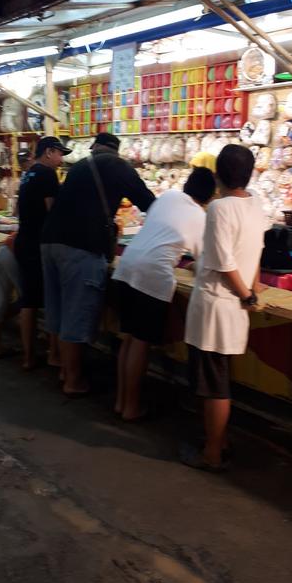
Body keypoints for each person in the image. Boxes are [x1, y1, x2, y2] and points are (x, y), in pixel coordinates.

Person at [41, 132, 155, 397]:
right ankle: (73, 380)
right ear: (116, 151)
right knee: (75, 313)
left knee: (57, 308)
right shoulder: (118, 166)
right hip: (80, 246)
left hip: (50, 242)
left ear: (94, 148)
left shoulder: (80, 166)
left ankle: (60, 366)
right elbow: (150, 202)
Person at [182, 145, 270, 472]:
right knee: (216, 380)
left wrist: (247, 293)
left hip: (217, 306)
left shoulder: (219, 209)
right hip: (232, 305)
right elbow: (253, 251)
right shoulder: (256, 204)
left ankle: (212, 453)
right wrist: (252, 285)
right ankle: (219, 441)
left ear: (218, 174)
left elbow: (223, 263)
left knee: (214, 386)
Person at [112, 167, 216, 421]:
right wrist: (192, 264)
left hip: (126, 268)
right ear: (210, 196)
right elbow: (206, 263)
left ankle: (120, 402)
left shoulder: (168, 196)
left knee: (128, 338)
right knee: (140, 342)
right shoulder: (200, 218)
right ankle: (131, 408)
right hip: (152, 277)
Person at [15, 136, 71, 370]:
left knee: (29, 301)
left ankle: (28, 358)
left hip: (23, 241)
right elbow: (53, 211)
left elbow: (17, 209)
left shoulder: (28, 174)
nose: (61, 160)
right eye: (59, 154)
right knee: (51, 301)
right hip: (40, 245)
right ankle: (53, 354)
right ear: (49, 152)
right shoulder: (48, 175)